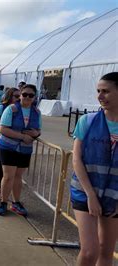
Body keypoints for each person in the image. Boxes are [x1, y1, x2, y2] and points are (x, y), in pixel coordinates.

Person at [69, 72, 118, 266]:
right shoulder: (87, 121)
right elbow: (76, 159)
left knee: (106, 251)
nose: (100, 96)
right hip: (84, 191)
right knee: (90, 251)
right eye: (98, 91)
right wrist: (90, 194)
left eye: (106, 91)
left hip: (114, 196)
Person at [0, 84, 42, 216]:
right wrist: (23, 136)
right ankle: (3, 202)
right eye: (24, 94)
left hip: (25, 149)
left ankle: (16, 203)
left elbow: (38, 130)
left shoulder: (36, 112)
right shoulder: (11, 109)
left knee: (18, 176)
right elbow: (2, 129)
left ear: (34, 97)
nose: (27, 97)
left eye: (31, 95)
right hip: (8, 147)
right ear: (20, 95)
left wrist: (36, 134)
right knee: (8, 176)